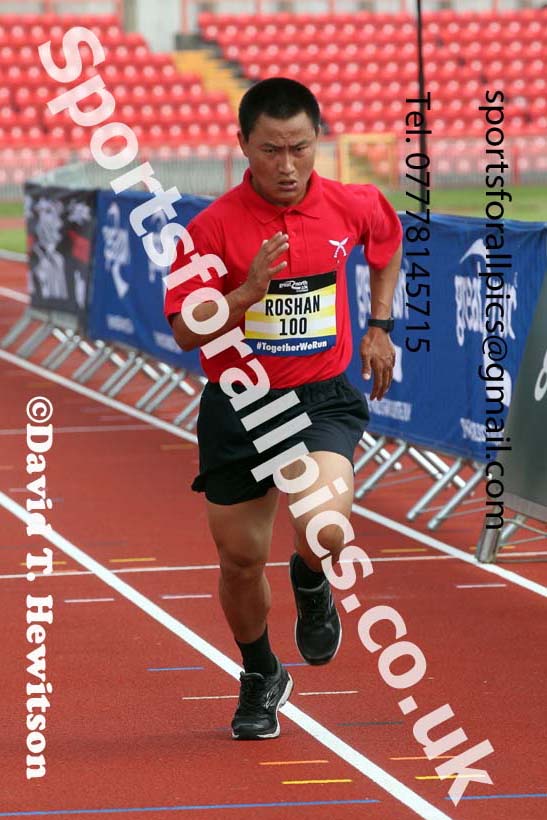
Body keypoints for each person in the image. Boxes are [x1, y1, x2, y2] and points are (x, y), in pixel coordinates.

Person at [164, 77, 402, 740]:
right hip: (240, 406)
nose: (288, 164)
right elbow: (184, 330)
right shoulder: (209, 229)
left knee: (324, 527)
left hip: (321, 397)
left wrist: (380, 324)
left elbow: (387, 241)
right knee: (239, 559)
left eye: (300, 147)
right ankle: (261, 671)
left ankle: (310, 578)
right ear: (243, 145)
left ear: (317, 140)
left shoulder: (352, 203)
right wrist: (244, 295)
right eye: (271, 149)